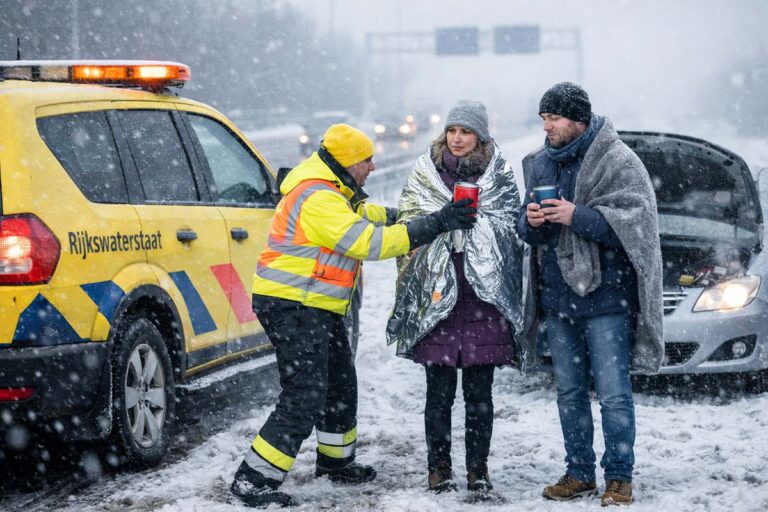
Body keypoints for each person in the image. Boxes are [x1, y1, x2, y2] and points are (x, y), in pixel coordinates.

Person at [230, 123, 478, 508]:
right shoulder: (318, 198)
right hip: (293, 306)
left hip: (316, 305)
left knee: (340, 386)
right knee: (305, 394)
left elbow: (372, 214)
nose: (373, 167)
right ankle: (253, 479)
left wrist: (409, 215)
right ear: (347, 162)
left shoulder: (335, 192)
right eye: (366, 160)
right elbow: (368, 241)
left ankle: (336, 464)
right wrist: (436, 223)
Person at [516, 82, 663, 506]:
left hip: (605, 301)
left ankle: (619, 476)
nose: (547, 126)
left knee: (614, 394)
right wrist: (533, 220)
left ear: (579, 120)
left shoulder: (617, 160)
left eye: (555, 118)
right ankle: (578, 472)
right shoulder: (542, 163)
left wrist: (576, 215)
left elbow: (636, 226)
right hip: (558, 300)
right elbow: (528, 233)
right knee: (569, 393)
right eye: (543, 118)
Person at [386, 100, 524, 495]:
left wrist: (479, 230)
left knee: (481, 395)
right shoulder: (425, 174)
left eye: (466, 131)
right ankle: (439, 468)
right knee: (439, 394)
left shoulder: (497, 175)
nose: (458, 138)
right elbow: (409, 223)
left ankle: (478, 471)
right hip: (437, 299)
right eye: (452, 131)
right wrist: (443, 220)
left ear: (479, 136)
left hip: (482, 300)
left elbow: (509, 228)